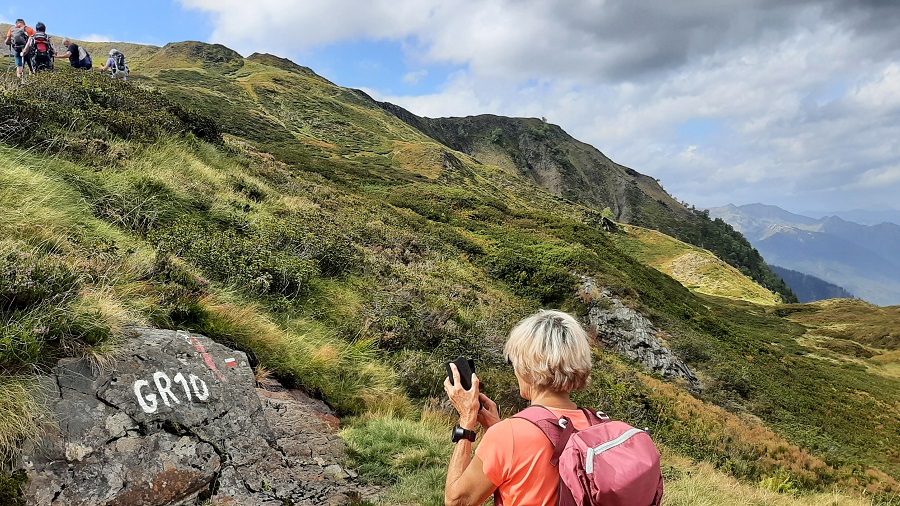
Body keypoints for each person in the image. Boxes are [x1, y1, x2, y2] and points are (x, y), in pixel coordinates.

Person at [443, 310, 594, 506]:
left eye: (512, 361)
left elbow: (457, 501)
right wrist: (495, 427)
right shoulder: (598, 426)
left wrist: (466, 419)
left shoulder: (509, 436)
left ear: (526, 366)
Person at [4, 19, 35, 83]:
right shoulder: (28, 29)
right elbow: (34, 39)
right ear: (24, 23)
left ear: (16, 23)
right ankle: (32, 81)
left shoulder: (12, 29)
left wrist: (11, 43)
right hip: (27, 50)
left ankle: (19, 81)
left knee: (19, 66)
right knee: (31, 66)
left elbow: (7, 41)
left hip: (17, 50)